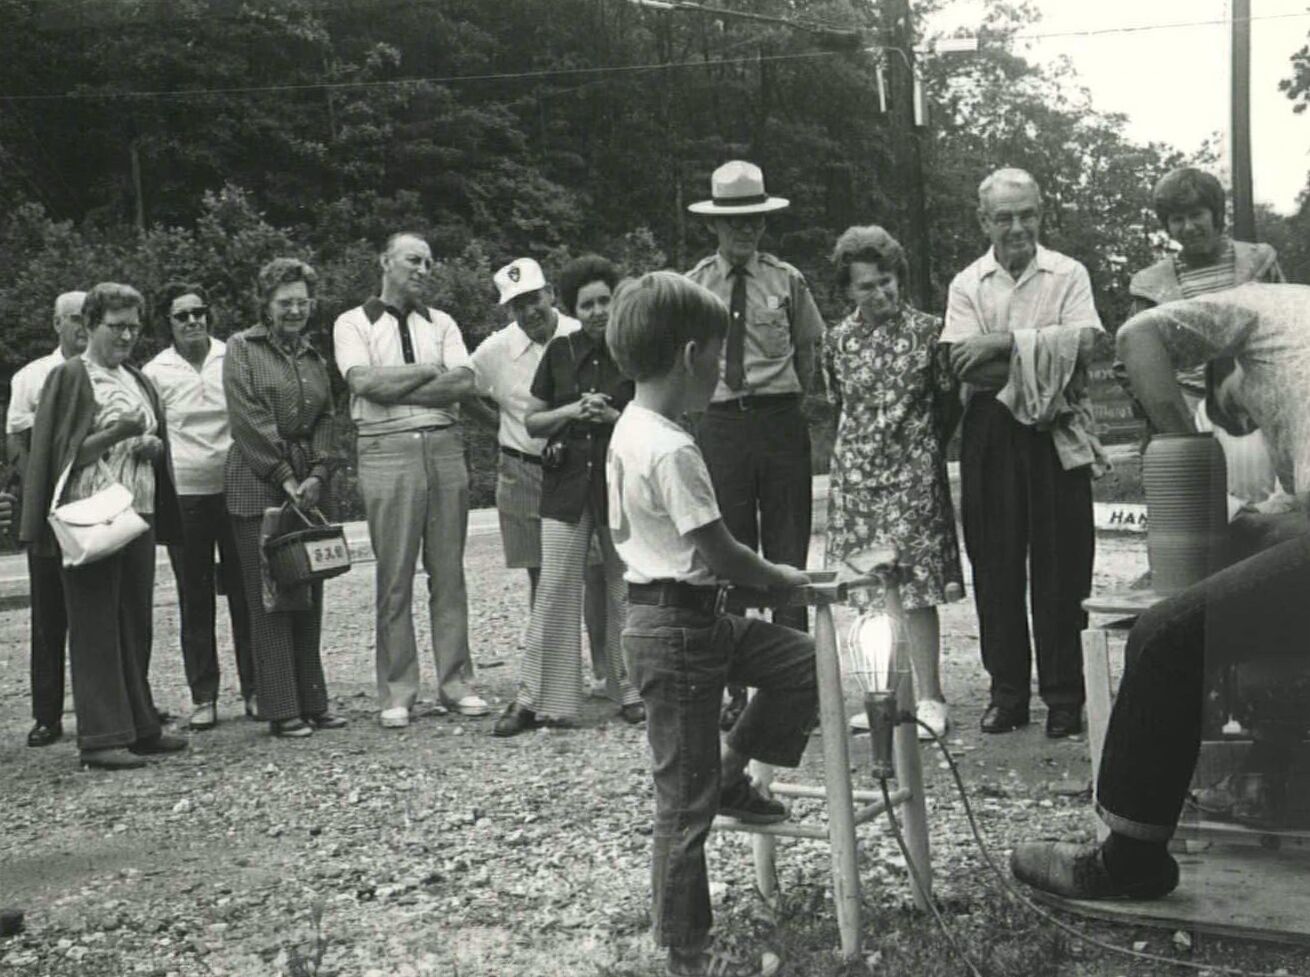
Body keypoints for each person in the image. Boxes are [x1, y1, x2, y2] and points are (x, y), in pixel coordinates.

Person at [1012, 283, 1310, 900]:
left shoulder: (1254, 308)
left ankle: (1129, 862)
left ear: (1221, 357)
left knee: (1164, 636)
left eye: (1230, 407)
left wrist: (1189, 447)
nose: (1241, 423)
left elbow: (1136, 337)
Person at [608, 271, 815, 977]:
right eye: (718, 359)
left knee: (806, 664)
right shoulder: (671, 447)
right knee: (682, 806)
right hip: (675, 628)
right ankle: (685, 954)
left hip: (698, 621)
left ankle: (732, 771)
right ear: (690, 355)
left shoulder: (634, 425)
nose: (722, 376)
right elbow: (717, 546)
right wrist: (782, 577)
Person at [942, 167, 1105, 739]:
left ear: (1041, 213)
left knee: (1064, 561)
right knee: (995, 561)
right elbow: (966, 364)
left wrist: (1005, 341)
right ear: (984, 221)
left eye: (1026, 214)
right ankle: (1007, 694)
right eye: (1004, 216)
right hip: (990, 427)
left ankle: (1065, 696)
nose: (1017, 227)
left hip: (1055, 427)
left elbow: (1086, 345)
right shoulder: (968, 284)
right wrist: (1043, 350)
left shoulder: (1068, 273)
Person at [18, 283, 188, 770]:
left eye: (134, 326)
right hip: (89, 514)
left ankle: (140, 727)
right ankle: (100, 737)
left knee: (135, 620)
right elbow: (57, 455)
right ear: (89, 325)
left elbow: (151, 435)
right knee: (94, 623)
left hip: (138, 511)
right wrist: (118, 432)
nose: (127, 336)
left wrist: (152, 447)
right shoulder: (70, 377)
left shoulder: (136, 376)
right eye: (116, 326)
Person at [685, 160, 825, 729]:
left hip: (779, 422)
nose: (745, 231)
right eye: (735, 221)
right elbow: (687, 357)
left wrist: (792, 402)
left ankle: (799, 681)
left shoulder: (786, 280)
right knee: (732, 552)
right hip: (721, 425)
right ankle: (737, 688)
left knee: (789, 550)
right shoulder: (696, 284)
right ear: (716, 226)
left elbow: (810, 350)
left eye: (755, 221)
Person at [333, 232, 488, 729]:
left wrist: (396, 388)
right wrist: (426, 372)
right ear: (384, 261)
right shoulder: (352, 323)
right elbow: (363, 383)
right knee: (394, 575)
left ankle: (457, 684)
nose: (424, 269)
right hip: (385, 451)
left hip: (443, 448)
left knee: (449, 573)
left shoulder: (442, 322)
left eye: (429, 262)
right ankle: (398, 691)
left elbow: (464, 382)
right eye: (413, 260)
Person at [824, 226, 964, 740]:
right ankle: (883, 698)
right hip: (857, 478)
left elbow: (949, 401)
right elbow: (839, 402)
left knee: (917, 588)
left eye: (886, 282)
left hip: (913, 475)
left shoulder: (931, 332)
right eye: (867, 286)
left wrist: (921, 449)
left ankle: (929, 698)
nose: (880, 294)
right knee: (865, 591)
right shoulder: (835, 341)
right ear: (847, 290)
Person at [494, 254, 643, 736]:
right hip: (565, 484)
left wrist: (615, 419)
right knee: (555, 587)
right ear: (575, 306)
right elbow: (533, 420)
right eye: (589, 303)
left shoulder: (635, 351)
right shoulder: (559, 353)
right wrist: (575, 409)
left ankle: (634, 691)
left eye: (605, 301)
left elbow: (658, 416)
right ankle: (537, 698)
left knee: (625, 588)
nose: (599, 310)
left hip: (619, 483)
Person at [224, 258, 346, 739]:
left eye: (302, 301)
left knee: (309, 591)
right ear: (266, 304)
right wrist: (284, 475)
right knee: (271, 599)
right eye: (284, 302)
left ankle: (313, 700)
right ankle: (280, 707)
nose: (294, 309)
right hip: (257, 488)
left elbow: (327, 418)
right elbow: (247, 418)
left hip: (309, 488)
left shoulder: (315, 357)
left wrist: (317, 471)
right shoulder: (242, 348)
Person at [144, 283, 254, 730]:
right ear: (168, 324)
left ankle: (255, 690)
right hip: (185, 494)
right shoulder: (155, 372)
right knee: (195, 597)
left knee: (245, 594)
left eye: (199, 312)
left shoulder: (233, 356)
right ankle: (204, 695)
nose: (193, 321)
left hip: (235, 489)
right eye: (182, 316)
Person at [5, 290, 86, 748]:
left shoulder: (105, 373)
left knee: (105, 612)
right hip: (50, 509)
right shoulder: (32, 376)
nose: (80, 326)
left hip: (96, 504)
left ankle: (119, 704)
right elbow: (16, 438)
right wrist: (35, 494)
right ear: (57, 323)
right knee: (49, 616)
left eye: (85, 318)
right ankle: (47, 714)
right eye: (72, 318)